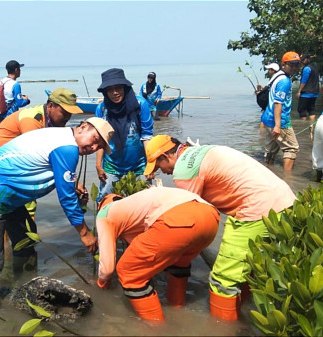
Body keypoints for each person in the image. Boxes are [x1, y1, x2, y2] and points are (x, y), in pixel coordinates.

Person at [0, 117, 114, 315]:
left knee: (26, 241)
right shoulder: (67, 148)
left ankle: (23, 288)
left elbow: (55, 174)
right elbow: (66, 198)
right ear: (82, 128)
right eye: (94, 139)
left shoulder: (64, 138)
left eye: (99, 146)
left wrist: (72, 186)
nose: (94, 146)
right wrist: (84, 233)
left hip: (9, 196)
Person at [143, 134, 296, 320]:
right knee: (253, 269)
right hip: (286, 201)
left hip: (256, 210)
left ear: (166, 157)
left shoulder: (183, 171)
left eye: (159, 166)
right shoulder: (200, 151)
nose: (162, 172)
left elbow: (185, 218)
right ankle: (248, 319)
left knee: (223, 281)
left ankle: (224, 327)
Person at [96, 187, 221, 322]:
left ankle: (156, 328)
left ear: (100, 205)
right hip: (210, 217)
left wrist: (101, 285)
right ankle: (177, 308)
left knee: (130, 272)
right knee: (178, 264)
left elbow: (107, 269)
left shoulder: (104, 214)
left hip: (178, 219)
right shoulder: (132, 204)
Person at [95, 68, 153, 201]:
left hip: (139, 164)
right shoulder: (102, 109)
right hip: (111, 165)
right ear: (105, 92)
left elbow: (147, 136)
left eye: (118, 88)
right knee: (105, 201)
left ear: (125, 88)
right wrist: (98, 165)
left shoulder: (140, 105)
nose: (115, 93)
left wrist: (151, 164)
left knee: (146, 202)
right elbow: (100, 140)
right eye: (110, 89)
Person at [261, 51, 301, 171]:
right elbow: (278, 103)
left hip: (268, 118)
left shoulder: (277, 76)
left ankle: (267, 173)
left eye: (296, 64)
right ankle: (288, 180)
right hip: (279, 121)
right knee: (291, 148)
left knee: (271, 151)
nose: (294, 68)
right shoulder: (285, 81)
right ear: (283, 64)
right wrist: (278, 125)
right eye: (291, 64)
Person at [0, 60, 30, 125]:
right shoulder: (15, 85)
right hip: (9, 116)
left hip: (0, 115)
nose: (20, 71)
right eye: (19, 69)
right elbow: (20, 103)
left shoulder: (2, 81)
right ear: (16, 70)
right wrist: (26, 100)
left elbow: (6, 96)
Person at [256, 63, 281, 128]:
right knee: (264, 120)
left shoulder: (274, 79)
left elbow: (270, 91)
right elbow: (270, 90)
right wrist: (262, 87)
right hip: (271, 104)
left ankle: (262, 136)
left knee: (263, 121)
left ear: (273, 71)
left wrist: (259, 93)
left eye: (269, 70)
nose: (268, 71)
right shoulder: (276, 78)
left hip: (270, 104)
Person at [296, 54, 320, 121]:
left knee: (302, 111)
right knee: (311, 110)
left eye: (303, 60)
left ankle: (303, 126)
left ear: (308, 59)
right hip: (315, 93)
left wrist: (299, 91)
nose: (302, 61)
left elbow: (304, 81)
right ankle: (311, 128)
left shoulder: (307, 68)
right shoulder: (315, 67)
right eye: (302, 60)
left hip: (306, 93)